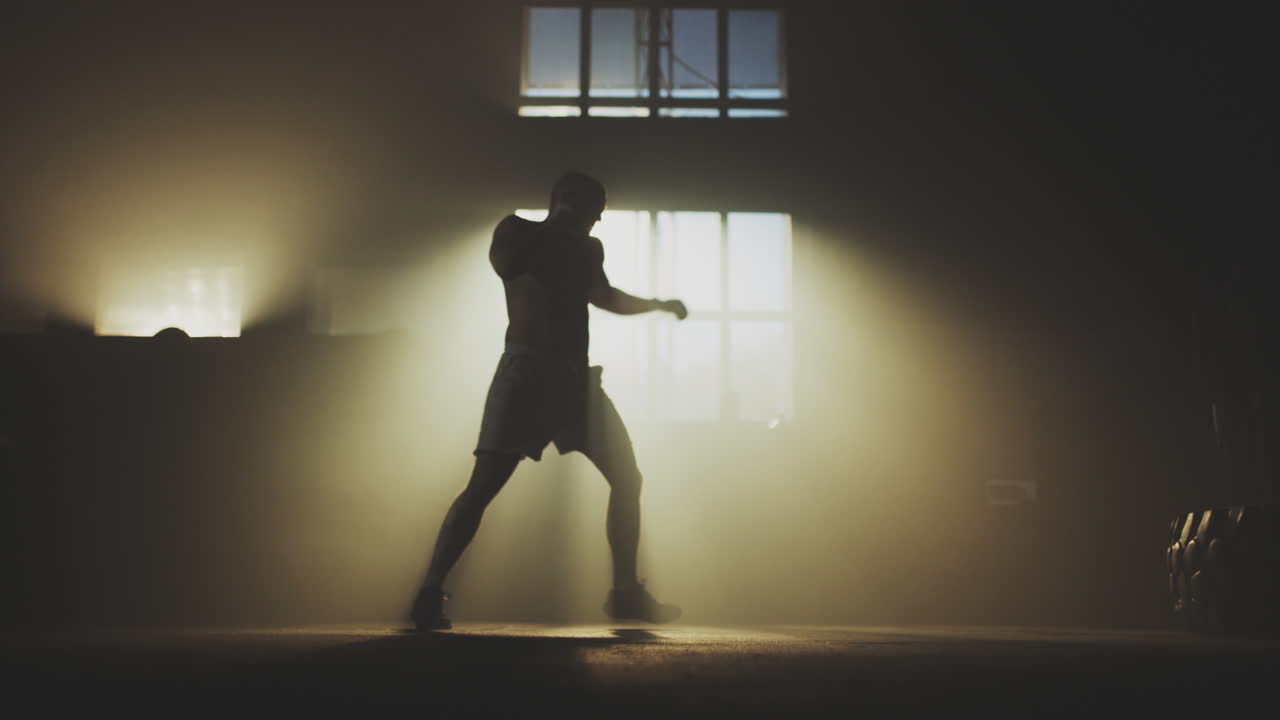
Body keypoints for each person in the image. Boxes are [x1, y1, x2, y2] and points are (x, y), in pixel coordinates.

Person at [410, 172, 687, 631]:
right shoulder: (517, 230)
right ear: (565, 199)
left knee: (627, 477)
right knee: (482, 487)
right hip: (525, 375)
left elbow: (604, 297)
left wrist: (657, 304)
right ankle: (428, 591)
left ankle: (625, 594)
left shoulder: (588, 248)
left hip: (574, 380)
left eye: (599, 212)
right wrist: (556, 227)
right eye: (593, 208)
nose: (597, 219)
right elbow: (509, 266)